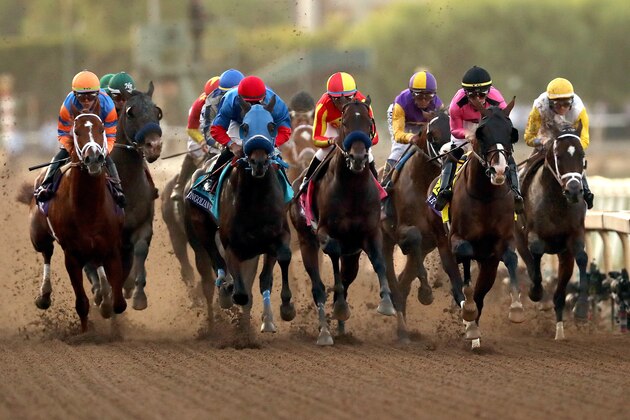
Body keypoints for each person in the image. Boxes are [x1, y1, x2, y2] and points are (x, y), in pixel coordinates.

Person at [434, 65, 523, 213]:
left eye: (482, 95)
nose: (478, 99)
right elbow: (454, 130)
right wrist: (468, 134)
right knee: (451, 155)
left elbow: (503, 125)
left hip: (488, 130)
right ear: (465, 93)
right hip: (465, 129)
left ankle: (516, 191)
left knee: (507, 157)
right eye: (472, 96)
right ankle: (444, 189)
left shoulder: (497, 100)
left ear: (488, 91)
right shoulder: (456, 105)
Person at [34, 70, 125, 207]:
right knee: (60, 153)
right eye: (82, 97)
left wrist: (103, 151)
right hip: (77, 135)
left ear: (98, 93)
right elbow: (63, 133)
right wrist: (73, 151)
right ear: (75, 94)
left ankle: (118, 190)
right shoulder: (67, 105)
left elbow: (111, 135)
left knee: (107, 159)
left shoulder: (107, 104)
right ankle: (46, 185)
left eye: (91, 96)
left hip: (99, 135)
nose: (87, 101)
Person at [205, 75, 292, 193]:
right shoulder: (230, 100)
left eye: (257, 102)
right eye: (248, 103)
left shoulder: (276, 104)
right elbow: (216, 129)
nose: (253, 106)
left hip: (264, 123)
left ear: (265, 97)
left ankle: (287, 185)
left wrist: (272, 144)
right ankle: (212, 178)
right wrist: (232, 145)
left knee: (274, 155)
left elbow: (285, 130)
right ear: (239, 98)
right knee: (232, 150)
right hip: (239, 123)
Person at [299, 71, 380, 191]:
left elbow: (375, 136)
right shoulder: (323, 106)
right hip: (333, 130)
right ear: (330, 96)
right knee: (323, 152)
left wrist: (360, 141)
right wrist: (331, 141)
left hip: (354, 131)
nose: (343, 104)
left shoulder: (363, 104)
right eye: (337, 99)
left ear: (355, 94)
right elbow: (317, 138)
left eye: (348, 98)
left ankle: (378, 186)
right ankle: (307, 182)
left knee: (369, 154)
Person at [524, 77, 594, 208]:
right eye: (557, 104)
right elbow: (529, 137)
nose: (562, 108)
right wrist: (544, 142)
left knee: (576, 165)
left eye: (566, 104)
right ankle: (519, 199)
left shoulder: (579, 111)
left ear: (572, 102)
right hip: (546, 139)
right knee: (526, 169)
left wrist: (568, 148)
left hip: (569, 142)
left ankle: (586, 194)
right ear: (550, 103)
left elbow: (584, 139)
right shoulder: (539, 107)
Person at [383, 70, 443, 184]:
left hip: (422, 123)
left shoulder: (438, 105)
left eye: (428, 96)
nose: (424, 101)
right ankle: (385, 183)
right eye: (419, 96)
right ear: (412, 93)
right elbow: (398, 134)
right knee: (399, 149)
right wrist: (410, 137)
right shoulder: (401, 103)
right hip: (403, 119)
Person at [170, 75, 219, 202]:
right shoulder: (199, 105)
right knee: (194, 151)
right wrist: (202, 141)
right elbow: (191, 129)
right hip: (199, 133)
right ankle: (179, 186)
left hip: (220, 134)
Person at [200, 68, 245, 144]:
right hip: (222, 140)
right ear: (221, 92)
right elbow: (208, 134)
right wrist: (221, 145)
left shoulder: (254, 99)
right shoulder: (211, 104)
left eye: (235, 94)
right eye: (227, 94)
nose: (231, 98)